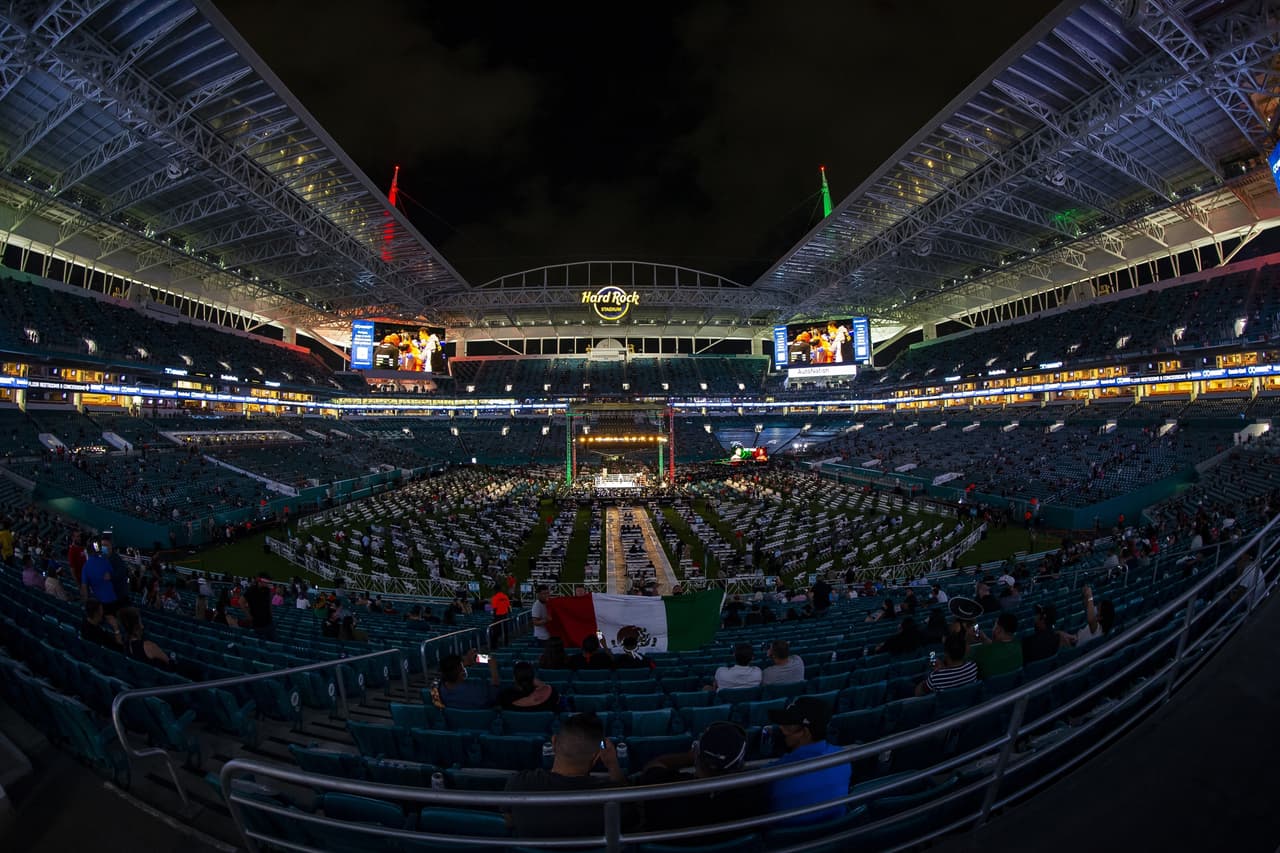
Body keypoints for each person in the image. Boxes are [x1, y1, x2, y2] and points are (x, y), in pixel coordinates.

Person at [504, 712, 634, 838]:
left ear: (554, 742)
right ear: (596, 756)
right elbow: (632, 814)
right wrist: (613, 766)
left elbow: (509, 823)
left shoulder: (519, 783)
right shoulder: (612, 799)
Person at [633, 721, 768, 842]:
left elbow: (654, 765)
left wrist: (688, 757)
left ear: (697, 758)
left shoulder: (666, 790)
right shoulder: (754, 795)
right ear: (739, 766)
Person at [766, 697, 850, 826]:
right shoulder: (843, 758)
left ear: (805, 732)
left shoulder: (772, 775)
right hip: (834, 836)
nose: (782, 729)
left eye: (789, 726)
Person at [916, 630, 978, 695]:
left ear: (946, 653)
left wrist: (938, 671)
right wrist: (943, 668)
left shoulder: (935, 677)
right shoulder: (973, 667)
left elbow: (918, 692)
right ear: (964, 651)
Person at [969, 612, 1024, 679]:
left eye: (995, 625)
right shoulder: (1019, 646)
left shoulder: (982, 651)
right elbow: (1001, 649)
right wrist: (985, 639)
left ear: (999, 630)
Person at [1061, 585, 1115, 649]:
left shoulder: (1097, 628)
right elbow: (1087, 606)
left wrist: (1090, 596)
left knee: (1058, 636)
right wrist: (1086, 594)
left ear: (1100, 617)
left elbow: (1090, 619)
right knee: (1059, 634)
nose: (1095, 608)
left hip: (1075, 648)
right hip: (1075, 638)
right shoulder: (1102, 628)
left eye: (1097, 609)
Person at [80, 538, 119, 615]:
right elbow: (113, 576)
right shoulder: (105, 561)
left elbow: (84, 588)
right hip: (112, 598)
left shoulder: (86, 567)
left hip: (100, 601)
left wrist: (86, 604)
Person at [244, 573, 274, 639]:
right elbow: (241, 602)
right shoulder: (251, 590)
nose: (268, 583)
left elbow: (269, 604)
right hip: (257, 623)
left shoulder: (267, 590)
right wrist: (248, 616)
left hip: (268, 622)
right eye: (266, 581)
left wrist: (271, 615)